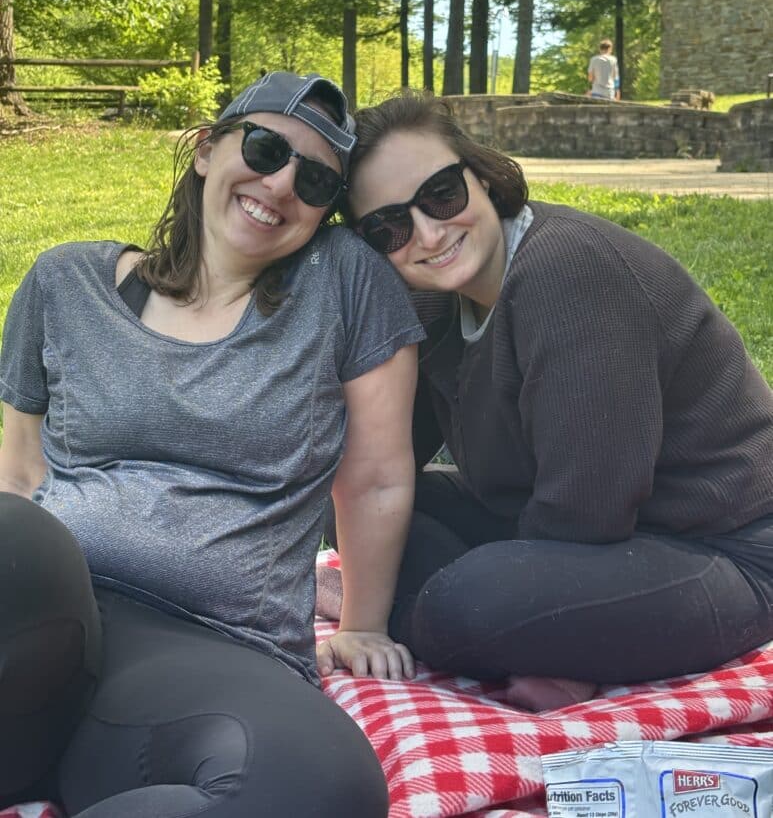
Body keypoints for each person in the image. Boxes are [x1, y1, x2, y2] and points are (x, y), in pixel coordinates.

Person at [0, 71, 425, 816]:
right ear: (205, 149)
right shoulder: (66, 282)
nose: (281, 184)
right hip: (44, 607)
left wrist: (362, 622)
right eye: (264, 149)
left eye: (316, 180)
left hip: (211, 645)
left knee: (323, 785)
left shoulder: (343, 281)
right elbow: (18, 469)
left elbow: (377, 475)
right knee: (15, 535)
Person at [321, 91, 773, 713]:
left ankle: (476, 622)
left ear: (482, 175)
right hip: (568, 531)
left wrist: (514, 608)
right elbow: (383, 466)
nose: (428, 233)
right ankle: (480, 618)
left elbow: (588, 509)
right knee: (353, 507)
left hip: (724, 548)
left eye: (442, 194)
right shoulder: (434, 302)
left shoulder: (568, 272)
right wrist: (363, 612)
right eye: (389, 227)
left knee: (469, 605)